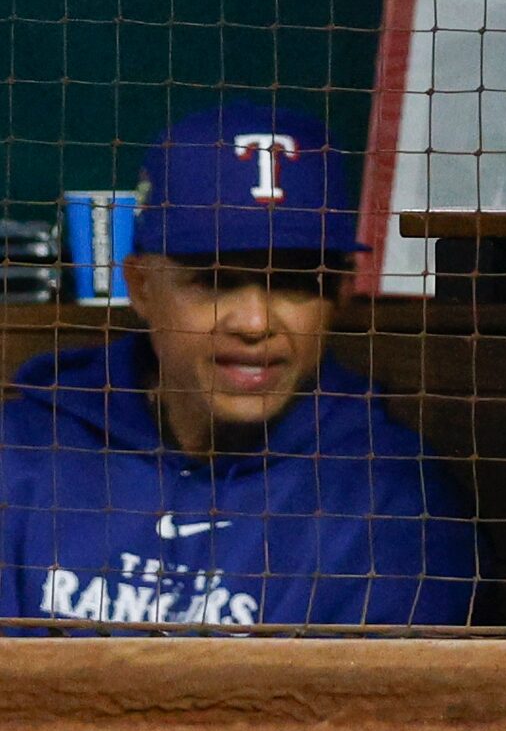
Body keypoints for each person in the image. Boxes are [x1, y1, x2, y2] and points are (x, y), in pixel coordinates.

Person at [0, 102, 478, 631]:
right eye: (215, 280)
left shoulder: (391, 497)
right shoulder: (19, 457)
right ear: (140, 287)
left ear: (341, 294)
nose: (254, 323)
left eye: (296, 281)